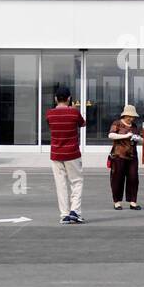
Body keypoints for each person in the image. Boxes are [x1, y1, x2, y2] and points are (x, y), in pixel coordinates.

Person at [46, 87, 85, 224]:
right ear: (69, 98)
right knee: (77, 182)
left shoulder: (50, 114)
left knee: (60, 184)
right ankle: (75, 211)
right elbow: (83, 123)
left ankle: (64, 214)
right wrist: (73, 109)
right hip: (72, 153)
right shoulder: (74, 113)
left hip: (56, 154)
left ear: (56, 99)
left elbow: (50, 126)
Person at [108, 103, 142, 211]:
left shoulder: (135, 126)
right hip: (118, 156)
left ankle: (133, 202)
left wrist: (138, 139)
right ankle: (117, 202)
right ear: (124, 115)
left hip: (132, 156)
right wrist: (126, 136)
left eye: (133, 117)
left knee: (133, 178)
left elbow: (142, 140)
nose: (131, 119)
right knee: (117, 178)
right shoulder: (117, 123)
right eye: (129, 116)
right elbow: (111, 135)